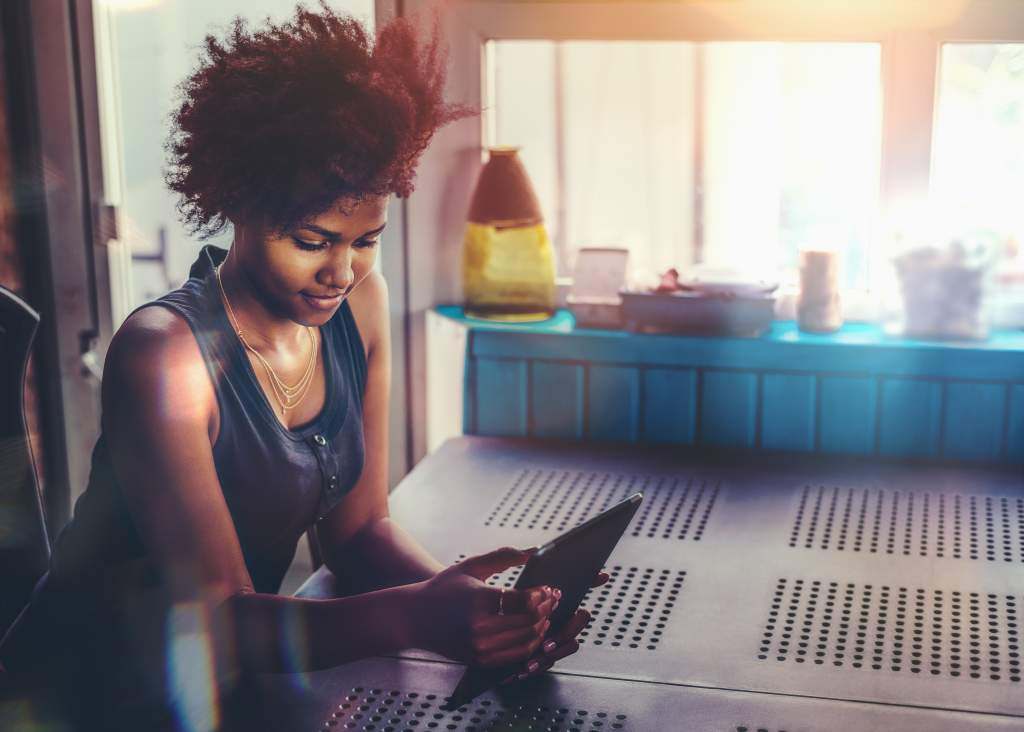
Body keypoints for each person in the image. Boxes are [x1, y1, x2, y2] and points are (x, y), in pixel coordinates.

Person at [0, 3, 605, 728]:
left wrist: (486, 614)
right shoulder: (166, 355)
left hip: (211, 692)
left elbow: (357, 536)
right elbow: (220, 620)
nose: (341, 272)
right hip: (73, 700)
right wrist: (421, 616)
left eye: (366, 240)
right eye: (313, 239)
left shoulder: (361, 305)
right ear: (241, 205)